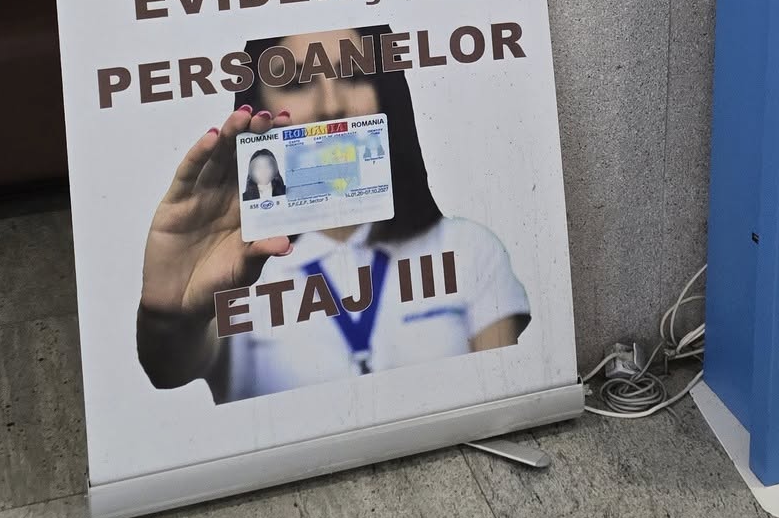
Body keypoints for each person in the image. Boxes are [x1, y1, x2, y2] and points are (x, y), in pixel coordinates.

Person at [136, 24, 531, 401]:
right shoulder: (232, 265)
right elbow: (168, 369)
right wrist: (170, 317)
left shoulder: (470, 248)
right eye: (296, 84)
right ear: (259, 104)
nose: (331, 106)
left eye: (355, 76)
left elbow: (501, 399)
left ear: (385, 93)